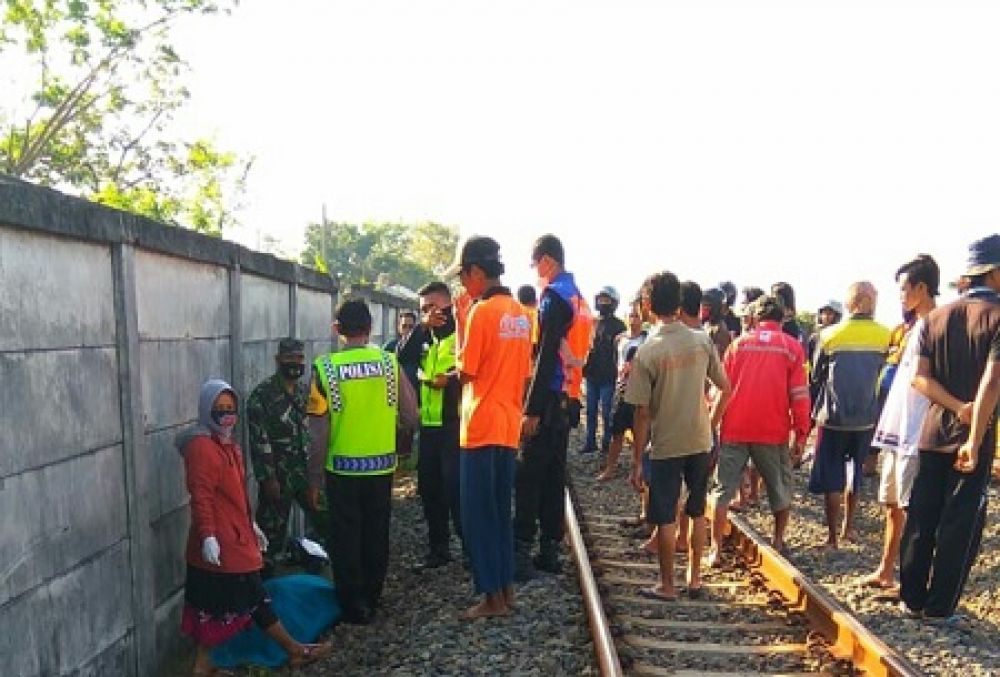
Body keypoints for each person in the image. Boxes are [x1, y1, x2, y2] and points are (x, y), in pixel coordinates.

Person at [178, 379, 330, 675]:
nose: (226, 415)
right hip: (221, 547)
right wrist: (209, 536)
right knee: (247, 602)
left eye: (230, 408)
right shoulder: (202, 448)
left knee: (233, 605)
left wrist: (251, 524)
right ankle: (293, 650)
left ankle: (205, 665)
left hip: (234, 540)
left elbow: (234, 495)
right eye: (219, 409)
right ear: (206, 410)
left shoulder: (226, 445)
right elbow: (201, 496)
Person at [900, 235, 1000, 621]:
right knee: (960, 522)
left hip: (932, 431)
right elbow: (992, 382)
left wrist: (956, 407)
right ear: (993, 273)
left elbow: (919, 380)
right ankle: (940, 607)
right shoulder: (996, 318)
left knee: (922, 516)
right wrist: (974, 438)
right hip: (971, 437)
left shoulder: (934, 319)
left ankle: (912, 599)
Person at [305, 299, 419, 625]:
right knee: (376, 532)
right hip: (381, 468)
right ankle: (373, 594)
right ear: (370, 328)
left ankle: (353, 604)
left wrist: (314, 480)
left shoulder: (325, 369)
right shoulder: (389, 363)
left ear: (337, 330)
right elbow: (411, 416)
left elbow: (317, 434)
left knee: (345, 536)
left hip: (341, 469)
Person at [626, 272, 731, 602]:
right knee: (698, 509)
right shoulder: (701, 341)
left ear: (649, 304)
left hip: (667, 443)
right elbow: (725, 388)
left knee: (665, 514)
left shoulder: (648, 352)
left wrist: (636, 459)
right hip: (700, 438)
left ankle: (668, 584)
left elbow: (641, 412)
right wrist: (711, 425)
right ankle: (695, 578)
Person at [447, 235, 532, 619]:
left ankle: (491, 599)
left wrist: (459, 325)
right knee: (500, 512)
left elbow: (467, 370)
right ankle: (507, 591)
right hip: (507, 425)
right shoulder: (518, 312)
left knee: (478, 516)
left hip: (480, 426)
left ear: (477, 272)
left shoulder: (481, 313)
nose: (463, 286)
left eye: (464, 277)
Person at [709, 295, 810, 564]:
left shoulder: (737, 345)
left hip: (735, 427)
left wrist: (711, 424)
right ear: (782, 318)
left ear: (754, 318)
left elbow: (721, 388)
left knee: (723, 490)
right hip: (772, 429)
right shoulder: (792, 348)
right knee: (780, 487)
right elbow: (799, 394)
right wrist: (801, 433)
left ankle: (715, 550)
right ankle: (778, 540)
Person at [863, 255, 938, 593]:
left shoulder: (937, 325)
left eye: (904, 289)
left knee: (909, 507)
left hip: (916, 429)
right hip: (897, 429)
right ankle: (886, 569)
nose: (901, 296)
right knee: (892, 504)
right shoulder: (911, 328)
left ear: (922, 288)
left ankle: (908, 578)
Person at [515, 234, 584, 579]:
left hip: (549, 396)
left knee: (528, 476)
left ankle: (522, 554)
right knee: (554, 477)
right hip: (567, 397)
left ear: (546, 260)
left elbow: (544, 357)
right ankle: (549, 550)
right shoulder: (576, 296)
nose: (535, 272)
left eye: (534, 264)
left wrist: (531, 408)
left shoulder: (554, 297)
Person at [808, 281, 891, 548]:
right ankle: (848, 528)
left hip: (832, 417)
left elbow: (816, 375)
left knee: (832, 477)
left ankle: (832, 537)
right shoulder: (885, 335)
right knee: (855, 472)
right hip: (866, 417)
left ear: (848, 304)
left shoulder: (830, 335)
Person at [248, 338, 329, 578]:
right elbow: (258, 440)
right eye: (289, 358)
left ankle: (329, 577)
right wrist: (267, 478)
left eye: (299, 358)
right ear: (278, 360)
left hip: (307, 474)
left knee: (329, 522)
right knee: (269, 540)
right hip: (278, 476)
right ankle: (266, 595)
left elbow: (317, 429)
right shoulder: (261, 396)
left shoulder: (307, 391)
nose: (295, 363)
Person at [396, 281, 463, 570]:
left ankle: (471, 550)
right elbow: (402, 356)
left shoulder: (462, 333)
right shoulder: (426, 338)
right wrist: (421, 326)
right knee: (430, 488)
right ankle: (439, 549)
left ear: (444, 306)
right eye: (423, 310)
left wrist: (452, 379)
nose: (428, 314)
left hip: (455, 423)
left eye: (431, 308)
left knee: (456, 489)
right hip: (430, 425)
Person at [596, 299, 647, 482]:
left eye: (637, 316)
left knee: (639, 436)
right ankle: (610, 468)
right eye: (631, 315)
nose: (634, 320)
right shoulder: (620, 339)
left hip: (639, 393)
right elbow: (614, 362)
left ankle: (636, 470)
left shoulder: (647, 339)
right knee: (615, 432)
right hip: (621, 390)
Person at [581, 286, 627, 454]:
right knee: (590, 410)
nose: (603, 303)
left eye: (606, 300)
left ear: (614, 303)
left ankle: (606, 443)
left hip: (608, 375)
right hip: (591, 374)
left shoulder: (619, 326)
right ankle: (590, 442)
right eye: (600, 300)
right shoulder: (592, 323)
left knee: (607, 412)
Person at [700, 287, 732, 358]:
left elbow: (717, 359)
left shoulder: (720, 330)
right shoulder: (706, 324)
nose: (702, 308)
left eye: (706, 305)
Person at [517, 284, 540, 349]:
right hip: (530, 355)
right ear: (536, 299)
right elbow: (534, 343)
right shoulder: (536, 315)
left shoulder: (515, 316)